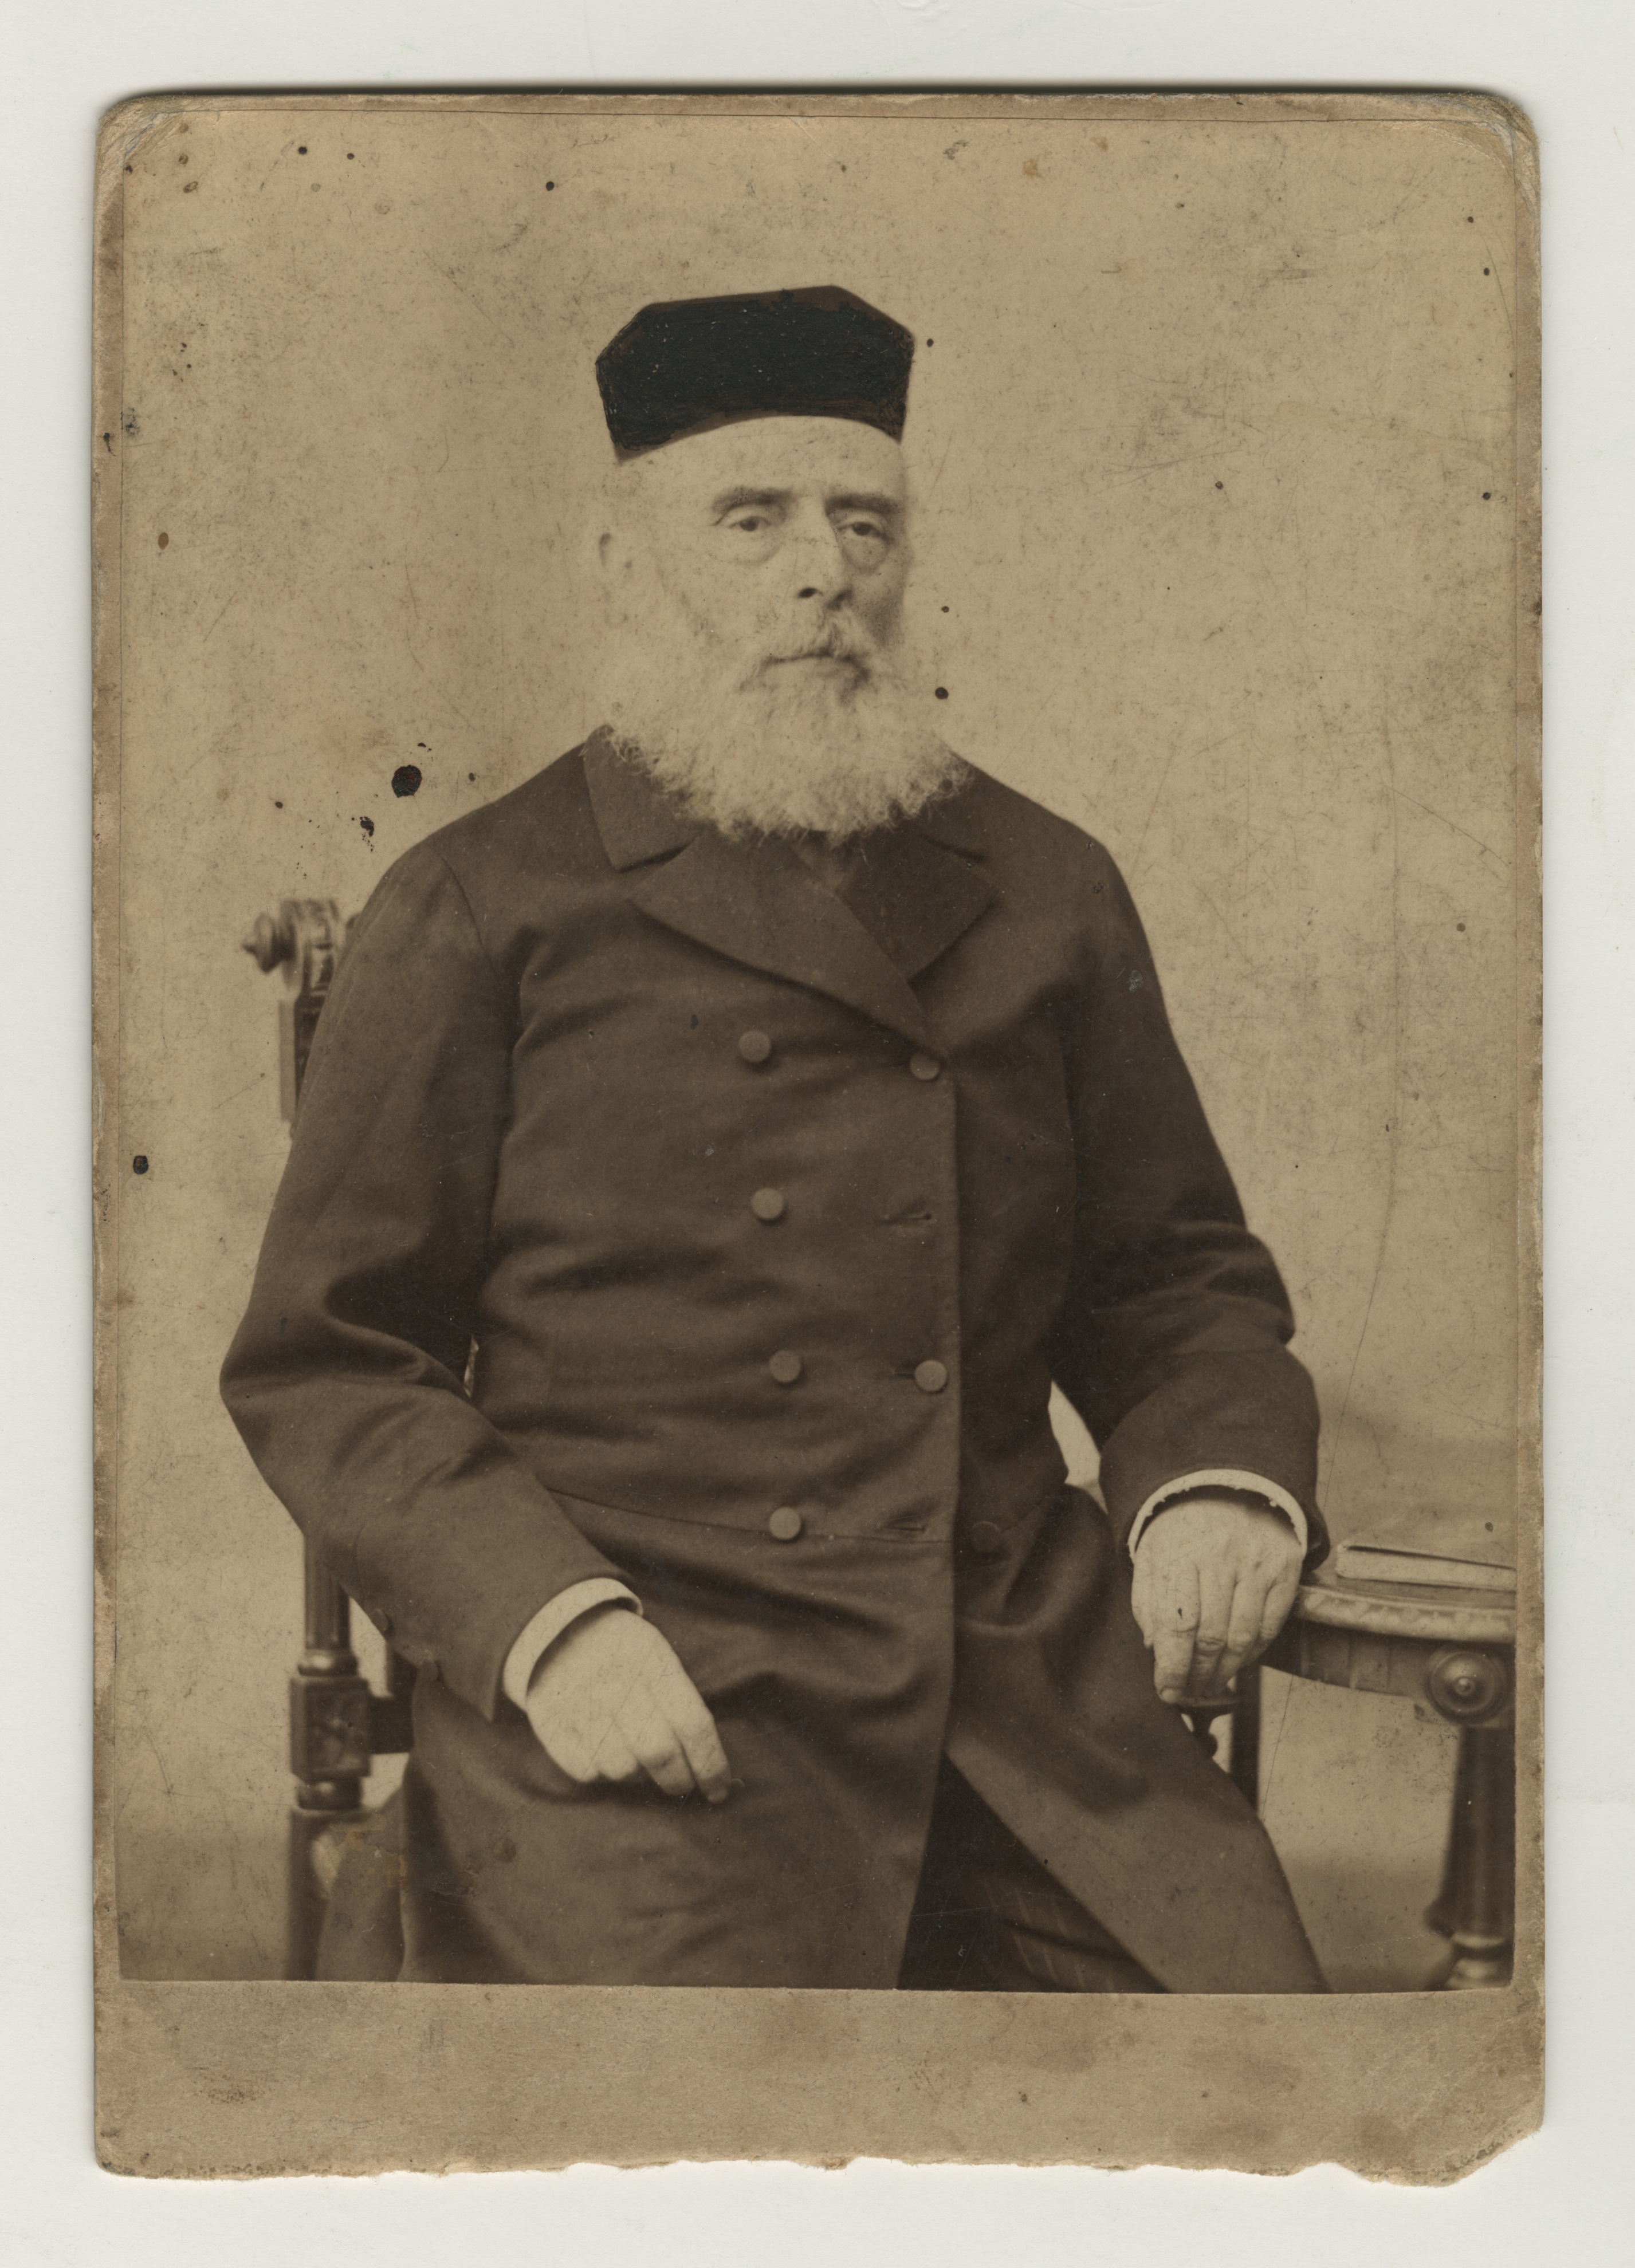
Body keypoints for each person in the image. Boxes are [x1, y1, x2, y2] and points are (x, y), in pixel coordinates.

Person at [222, 286, 1328, 1992]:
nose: (826, 572)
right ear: (624, 564)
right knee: (710, 2123)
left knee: (1260, 2081)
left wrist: (1217, 1482)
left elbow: (1172, 1281)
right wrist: (546, 1627)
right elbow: (331, 1362)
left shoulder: (1044, 884)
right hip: (643, 1676)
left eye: (863, 523)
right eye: (753, 520)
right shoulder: (483, 902)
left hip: (1008, 1677)